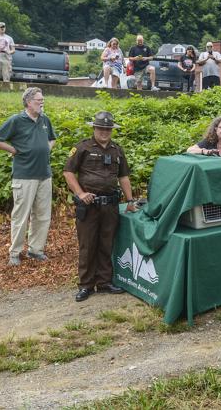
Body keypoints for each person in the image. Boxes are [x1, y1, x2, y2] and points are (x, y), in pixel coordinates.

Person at [63, 111, 138, 302]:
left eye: (108, 129)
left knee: (107, 244)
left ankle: (104, 282)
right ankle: (86, 285)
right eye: (101, 128)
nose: (104, 132)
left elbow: (123, 176)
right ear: (94, 128)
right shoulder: (82, 147)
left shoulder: (117, 150)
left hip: (110, 205)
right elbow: (68, 172)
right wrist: (80, 194)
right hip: (89, 206)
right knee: (87, 246)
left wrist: (130, 201)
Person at [0, 88, 57, 266]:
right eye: (38, 100)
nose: (42, 103)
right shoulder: (16, 120)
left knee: (42, 215)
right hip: (24, 175)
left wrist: (46, 149)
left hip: (45, 174)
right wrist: (13, 150)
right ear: (28, 102)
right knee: (21, 216)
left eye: (42, 100)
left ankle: (36, 250)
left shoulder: (44, 120)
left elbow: (52, 138)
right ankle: (15, 253)